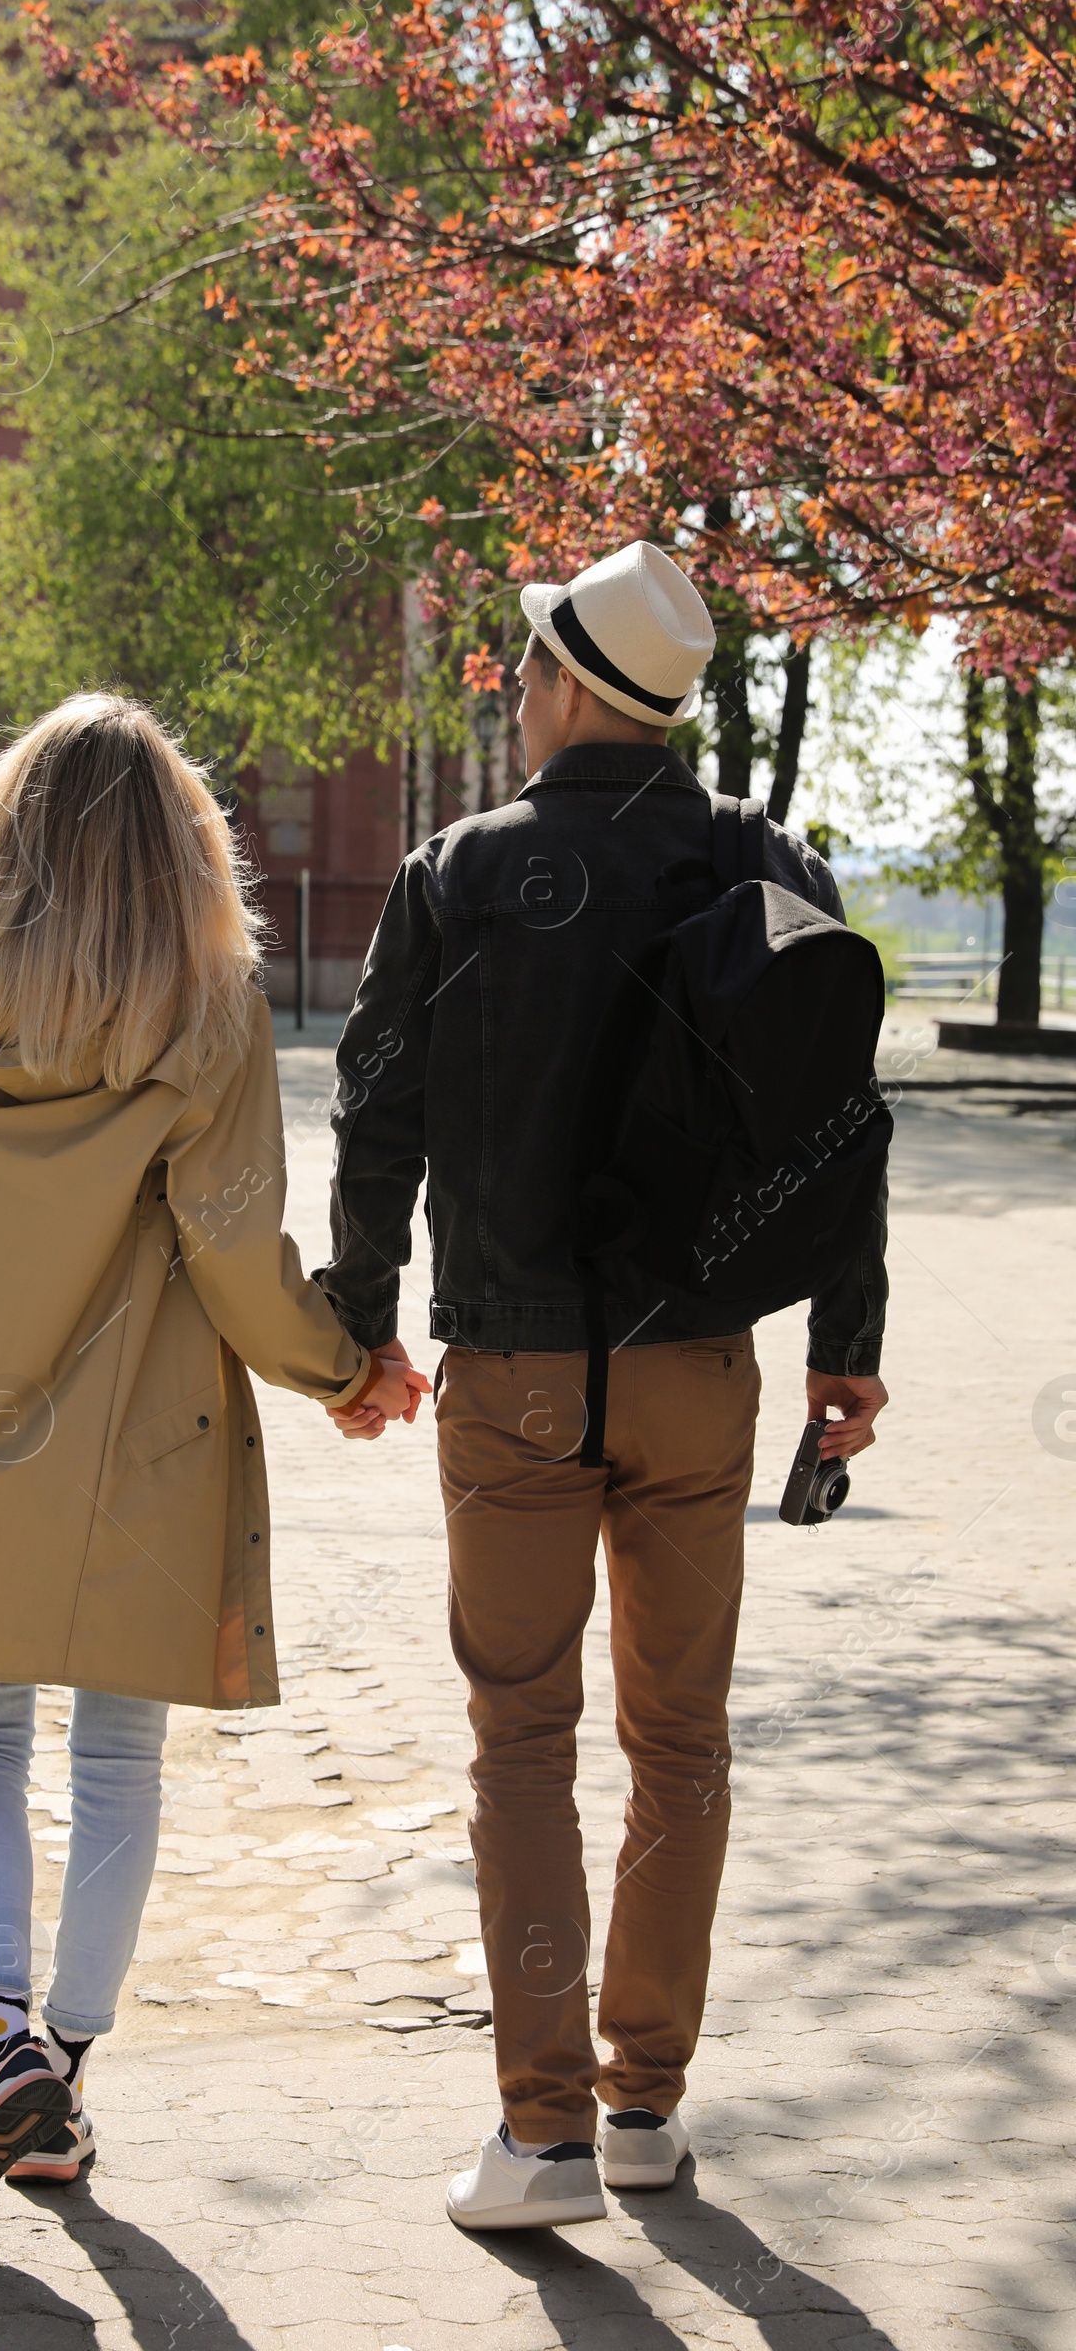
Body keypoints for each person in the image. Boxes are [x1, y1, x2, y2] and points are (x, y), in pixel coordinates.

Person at [0, 659, 425, 2237]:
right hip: (135, 1443)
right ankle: (59, 2095)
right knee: (114, 1758)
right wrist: (345, 1371)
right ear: (185, 849)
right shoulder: (213, 1009)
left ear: (5, 828)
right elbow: (239, 1252)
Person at [317, 543, 890, 2230]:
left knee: (521, 1747)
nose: (513, 692)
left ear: (566, 682)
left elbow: (375, 1118)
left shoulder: (457, 870)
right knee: (682, 1742)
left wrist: (361, 1330)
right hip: (703, 1372)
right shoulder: (762, 863)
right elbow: (844, 1117)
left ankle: (544, 2135)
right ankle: (645, 2111)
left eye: (523, 667)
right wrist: (844, 1351)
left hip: (513, 1377)